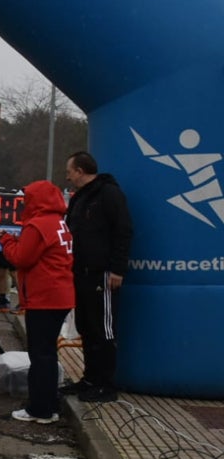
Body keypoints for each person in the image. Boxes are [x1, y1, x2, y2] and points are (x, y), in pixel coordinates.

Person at [0, 180, 74, 423]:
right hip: (60, 294)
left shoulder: (38, 224)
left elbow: (21, 258)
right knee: (48, 353)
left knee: (40, 355)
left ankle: (39, 409)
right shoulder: (58, 221)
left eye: (27, 199)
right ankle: (49, 403)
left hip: (44, 296)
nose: (24, 203)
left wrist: (6, 240)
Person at [63, 151, 134, 402]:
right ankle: (89, 379)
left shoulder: (108, 194)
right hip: (80, 273)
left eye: (70, 170)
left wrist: (117, 268)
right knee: (87, 326)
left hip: (102, 274)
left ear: (81, 171)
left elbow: (123, 230)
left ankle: (106, 384)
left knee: (103, 329)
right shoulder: (79, 198)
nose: (68, 175)